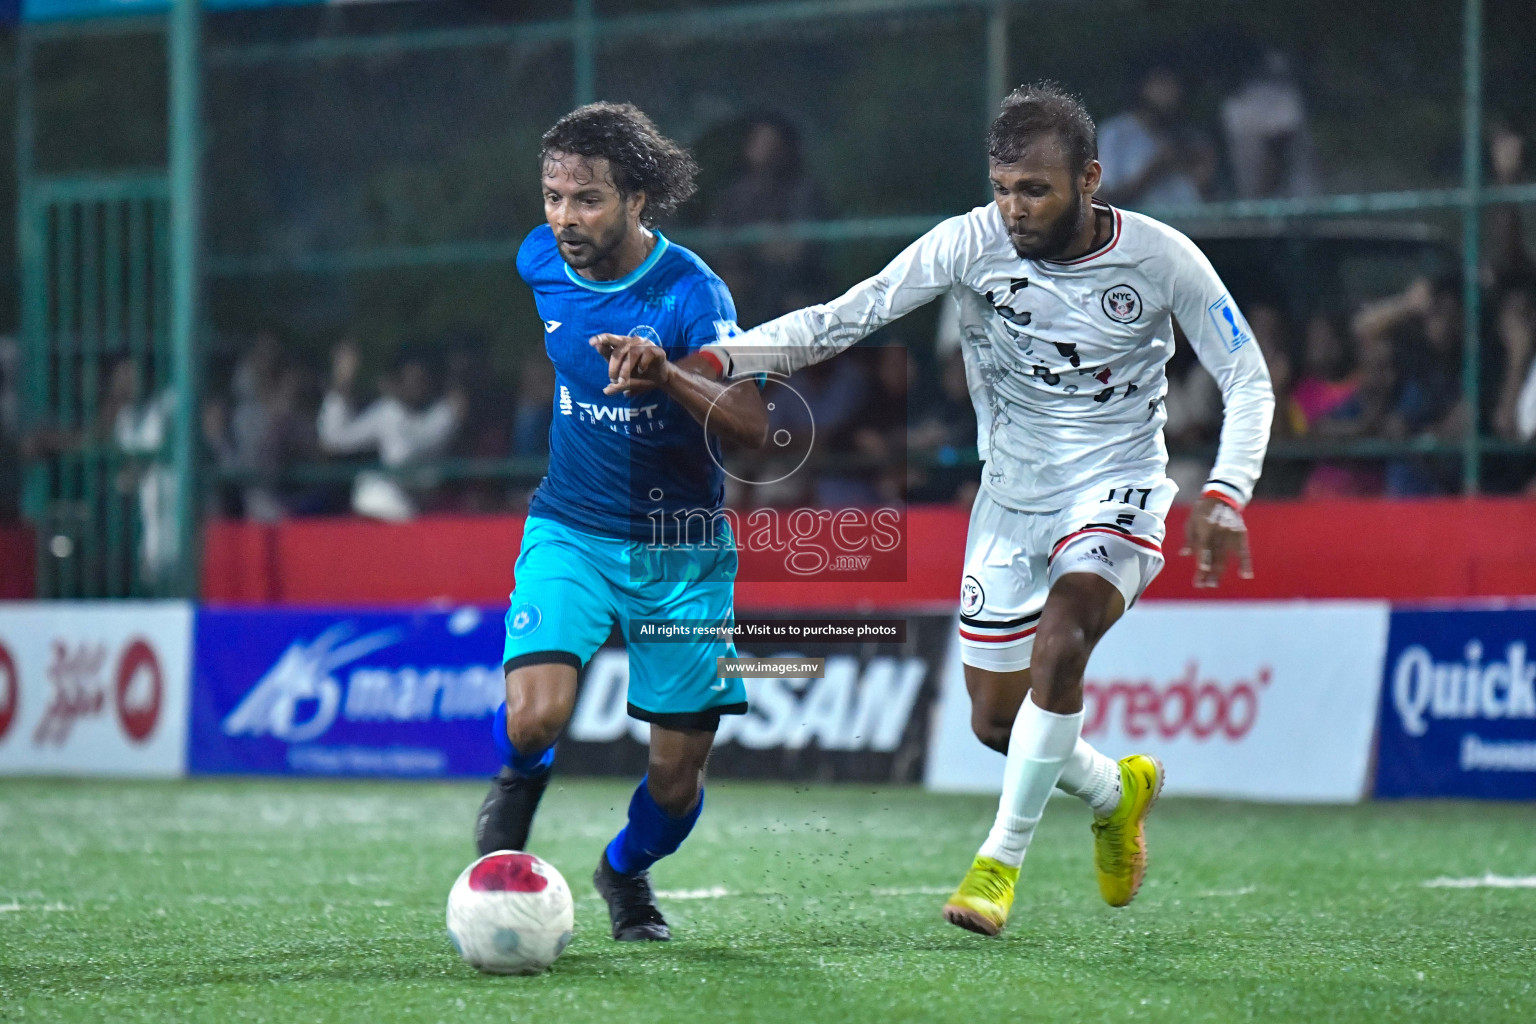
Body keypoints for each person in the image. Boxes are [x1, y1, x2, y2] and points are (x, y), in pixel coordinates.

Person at [606, 82, 1274, 936]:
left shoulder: (1162, 258)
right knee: (999, 721)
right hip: (1009, 500)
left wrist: (1226, 492)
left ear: (1090, 179)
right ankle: (1116, 789)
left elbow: (1247, 377)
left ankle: (998, 864)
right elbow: (843, 319)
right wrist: (708, 358)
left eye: (1034, 189)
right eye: (1002, 188)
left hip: (1120, 486)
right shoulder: (970, 243)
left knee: (1062, 643)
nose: (1014, 208)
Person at [473, 102, 768, 944]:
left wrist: (668, 375)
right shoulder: (540, 260)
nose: (564, 218)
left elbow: (750, 428)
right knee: (534, 713)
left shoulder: (692, 293)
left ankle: (623, 871)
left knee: (675, 786)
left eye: (587, 199)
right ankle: (520, 776)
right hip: (570, 526)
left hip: (681, 554)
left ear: (639, 199)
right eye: (553, 195)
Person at [316, 340, 464, 521]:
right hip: (392, 508)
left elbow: (405, 455)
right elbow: (334, 439)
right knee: (371, 493)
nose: (415, 386)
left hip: (433, 505)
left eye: (421, 379)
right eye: (408, 379)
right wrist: (342, 381)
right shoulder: (389, 412)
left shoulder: (444, 413)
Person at [1096, 64, 1216, 208]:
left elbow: (1208, 198)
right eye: (1161, 83)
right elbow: (1103, 200)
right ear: (1142, 86)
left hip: (1188, 227)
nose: (1170, 92)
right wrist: (1156, 168)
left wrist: (1203, 175)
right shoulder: (1115, 133)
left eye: (1174, 84)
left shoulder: (1189, 138)